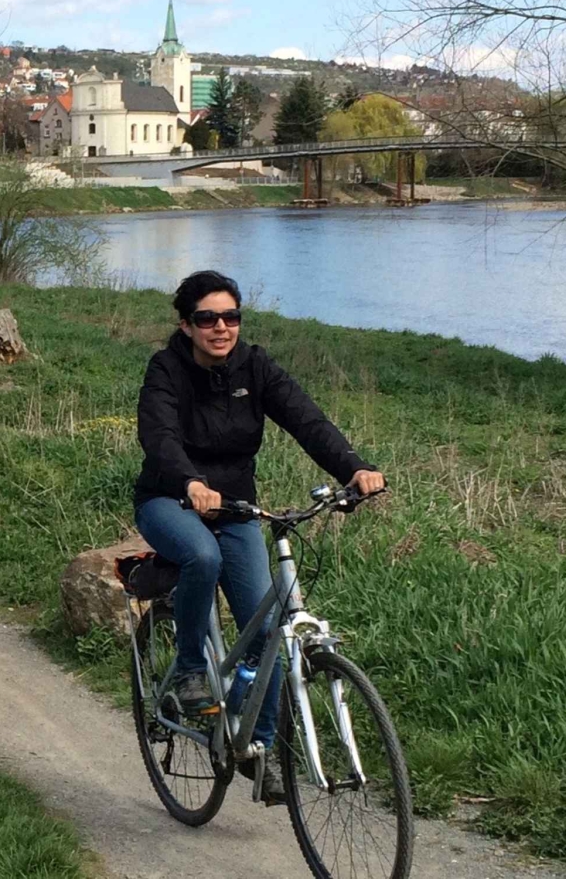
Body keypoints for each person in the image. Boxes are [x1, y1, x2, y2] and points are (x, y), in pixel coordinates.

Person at [133, 269, 386, 806]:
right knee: (201, 557)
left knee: (269, 629)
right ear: (186, 325)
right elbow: (158, 435)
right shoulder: (166, 370)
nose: (221, 327)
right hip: (169, 500)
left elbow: (306, 420)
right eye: (207, 318)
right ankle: (190, 672)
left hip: (240, 508)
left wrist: (354, 468)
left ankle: (259, 750)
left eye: (231, 317)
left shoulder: (256, 365)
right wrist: (191, 481)